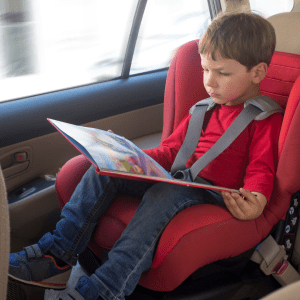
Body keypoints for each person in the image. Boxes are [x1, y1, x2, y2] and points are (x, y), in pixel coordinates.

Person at [7, 12, 283, 300]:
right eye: (205, 70)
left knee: (165, 194)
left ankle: (106, 289)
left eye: (222, 73)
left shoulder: (263, 119)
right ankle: (57, 257)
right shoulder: (204, 108)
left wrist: (256, 200)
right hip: (178, 180)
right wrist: (122, 155)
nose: (209, 82)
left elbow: (261, 169)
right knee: (103, 171)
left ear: (257, 73)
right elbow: (171, 152)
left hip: (212, 194)